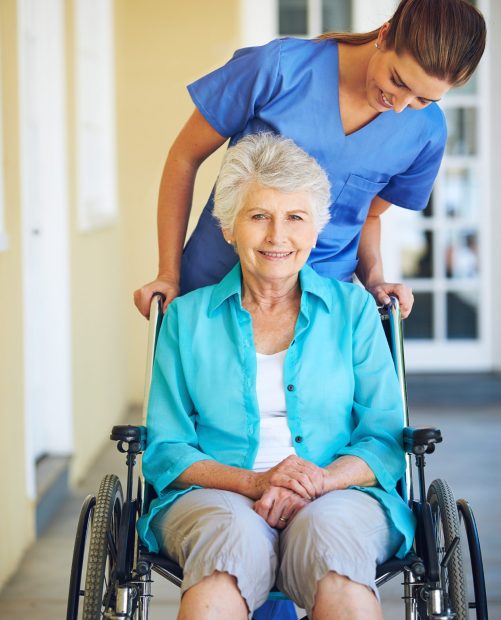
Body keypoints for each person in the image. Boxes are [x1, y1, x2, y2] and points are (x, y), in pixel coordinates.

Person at [137, 134, 415, 620]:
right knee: (225, 553)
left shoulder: (352, 312)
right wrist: (255, 481)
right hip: (216, 496)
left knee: (336, 556)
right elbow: (167, 449)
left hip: (339, 493)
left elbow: (384, 439)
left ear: (317, 229)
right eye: (258, 216)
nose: (277, 237)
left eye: (295, 218)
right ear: (229, 228)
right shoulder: (187, 320)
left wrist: (321, 482)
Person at [134, 0, 486, 322]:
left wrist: (375, 279)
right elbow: (184, 157)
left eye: (423, 99)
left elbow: (369, 215)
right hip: (214, 287)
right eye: (397, 80)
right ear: (385, 33)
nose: (399, 105)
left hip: (320, 309)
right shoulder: (278, 69)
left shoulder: (426, 133)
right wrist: (168, 273)